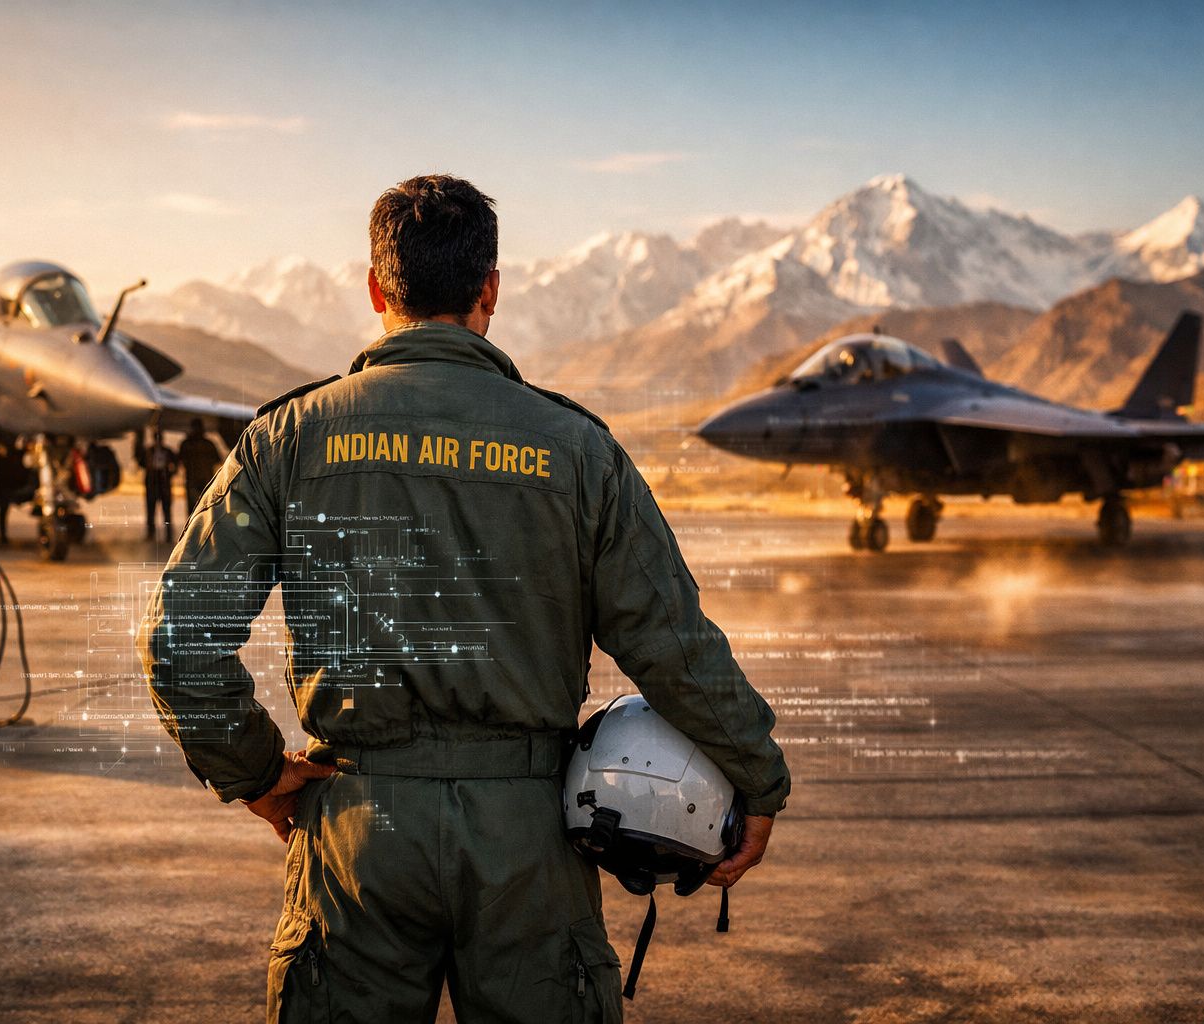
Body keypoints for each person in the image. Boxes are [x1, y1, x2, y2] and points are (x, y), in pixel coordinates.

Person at [138, 175, 789, 1023]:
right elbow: (672, 643)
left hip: (357, 833)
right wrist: (756, 776)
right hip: (528, 840)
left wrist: (255, 773)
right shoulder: (576, 449)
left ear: (377, 290)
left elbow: (182, 638)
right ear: (491, 289)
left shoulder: (290, 438)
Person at [177, 418, 223, 512]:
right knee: (206, 508)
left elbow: (180, 460)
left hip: (195, 480)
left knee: (195, 509)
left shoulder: (187, 444)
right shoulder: (208, 444)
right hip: (203, 479)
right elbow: (217, 460)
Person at [141, 430, 178, 543]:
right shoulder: (149, 451)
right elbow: (141, 462)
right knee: (151, 510)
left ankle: (168, 534)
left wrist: (170, 474)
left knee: (166, 510)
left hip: (163, 482)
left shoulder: (167, 451)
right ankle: (151, 533)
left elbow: (176, 463)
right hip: (153, 482)